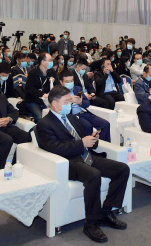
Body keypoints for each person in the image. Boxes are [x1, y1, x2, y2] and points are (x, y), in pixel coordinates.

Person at [36, 85, 129, 243]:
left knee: (122, 169)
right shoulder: (44, 124)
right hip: (68, 163)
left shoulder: (72, 118)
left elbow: (84, 139)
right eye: (66, 101)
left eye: (70, 101)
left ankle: (106, 212)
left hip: (86, 156)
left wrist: (92, 140)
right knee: (94, 175)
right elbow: (55, 149)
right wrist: (82, 144)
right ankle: (91, 223)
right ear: (54, 104)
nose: (70, 104)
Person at [59, 70, 111, 142]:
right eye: (67, 82)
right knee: (87, 126)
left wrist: (80, 102)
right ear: (61, 82)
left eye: (71, 81)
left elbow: (87, 103)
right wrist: (70, 101)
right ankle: (88, 146)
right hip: (74, 116)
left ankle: (104, 145)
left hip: (84, 113)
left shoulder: (77, 89)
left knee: (105, 124)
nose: (70, 83)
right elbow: (60, 107)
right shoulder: (59, 93)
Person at [24, 53, 58, 120]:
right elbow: (29, 88)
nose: (51, 62)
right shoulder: (33, 73)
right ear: (43, 62)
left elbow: (58, 85)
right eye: (50, 60)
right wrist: (42, 94)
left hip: (47, 100)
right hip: (33, 100)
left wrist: (54, 81)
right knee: (40, 117)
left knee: (53, 116)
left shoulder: (52, 72)